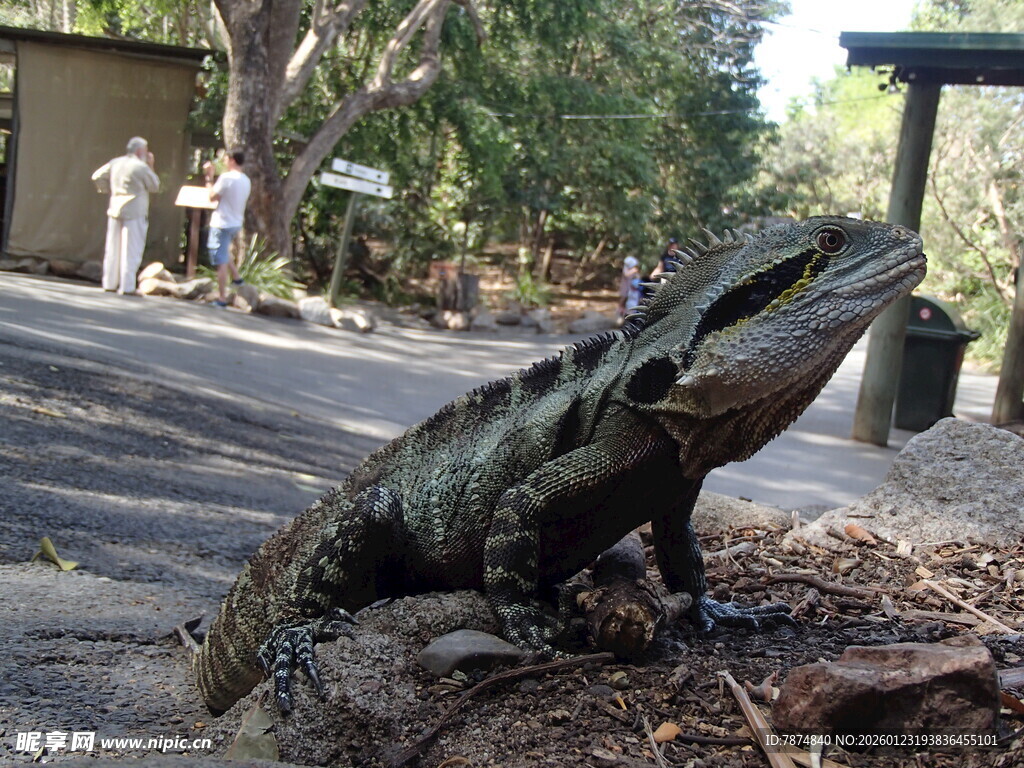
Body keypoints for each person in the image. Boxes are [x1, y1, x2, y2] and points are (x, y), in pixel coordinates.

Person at [91, 137, 160, 295]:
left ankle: (109, 282)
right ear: (139, 151)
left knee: (112, 247)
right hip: (135, 210)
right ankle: (127, 286)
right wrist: (151, 165)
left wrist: (107, 190)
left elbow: (97, 176)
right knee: (131, 249)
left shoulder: (116, 162)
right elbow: (154, 185)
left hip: (115, 206)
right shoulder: (141, 167)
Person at [203, 150, 252, 308]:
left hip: (222, 222)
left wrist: (209, 178)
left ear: (231, 160)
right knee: (224, 251)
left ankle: (222, 297)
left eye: (225, 159)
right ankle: (237, 277)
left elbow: (212, 196)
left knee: (220, 260)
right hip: (236, 221)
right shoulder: (246, 180)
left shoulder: (226, 178)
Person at [617, 255, 642, 320]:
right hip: (625, 288)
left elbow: (637, 279)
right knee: (623, 300)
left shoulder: (635, 270)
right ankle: (620, 314)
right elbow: (626, 274)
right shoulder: (627, 269)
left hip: (632, 290)